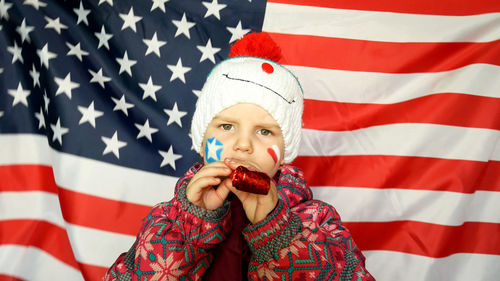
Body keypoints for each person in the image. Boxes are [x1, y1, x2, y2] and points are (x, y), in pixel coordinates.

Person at [103, 32, 375, 281]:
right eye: (226, 127)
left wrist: (279, 232)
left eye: (265, 131)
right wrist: (190, 225)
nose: (243, 145)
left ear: (284, 154)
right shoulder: (169, 220)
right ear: (201, 142)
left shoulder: (316, 220)